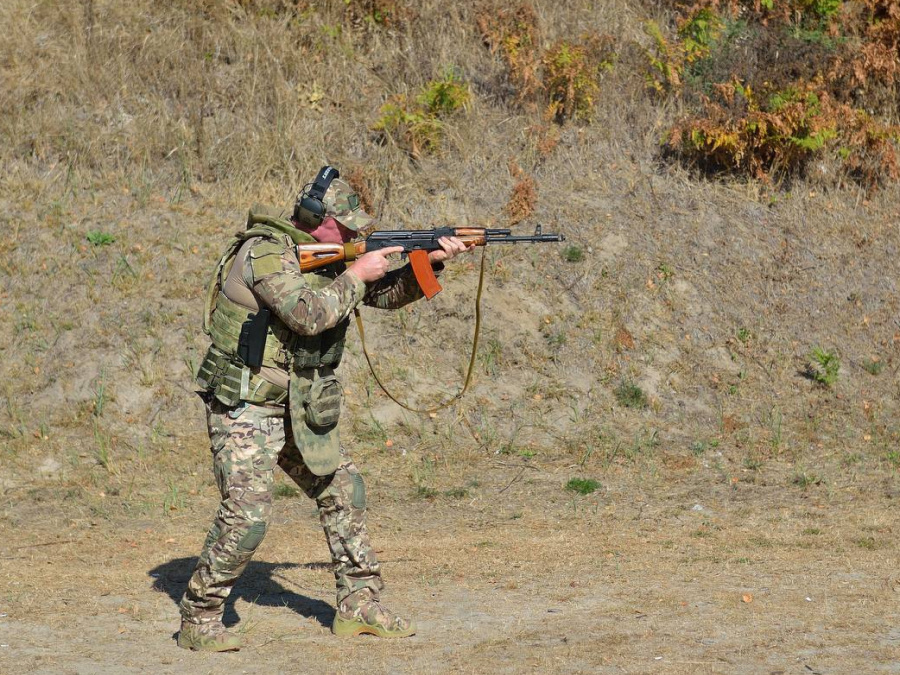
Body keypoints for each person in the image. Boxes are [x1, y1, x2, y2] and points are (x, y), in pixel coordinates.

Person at [177, 166, 472, 652]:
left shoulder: (333, 261)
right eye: (346, 227)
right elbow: (307, 315)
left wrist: (429, 262)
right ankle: (199, 616)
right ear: (316, 218)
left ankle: (359, 605)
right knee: (247, 516)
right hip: (245, 404)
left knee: (344, 490)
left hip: (298, 402)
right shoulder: (266, 253)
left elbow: (382, 295)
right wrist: (357, 273)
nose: (355, 236)